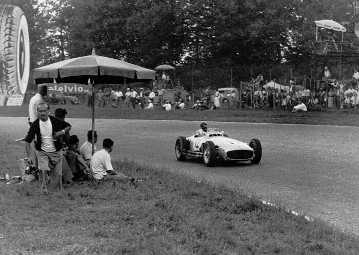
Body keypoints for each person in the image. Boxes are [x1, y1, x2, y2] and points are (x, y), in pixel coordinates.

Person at [24, 102, 71, 194]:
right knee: (43, 169)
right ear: (37, 112)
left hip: (55, 152)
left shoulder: (55, 121)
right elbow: (27, 141)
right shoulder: (35, 124)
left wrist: (61, 132)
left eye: (44, 111)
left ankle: (56, 192)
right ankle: (44, 189)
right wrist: (29, 156)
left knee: (58, 174)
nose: (42, 113)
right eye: (40, 111)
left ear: (48, 111)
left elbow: (68, 126)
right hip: (42, 152)